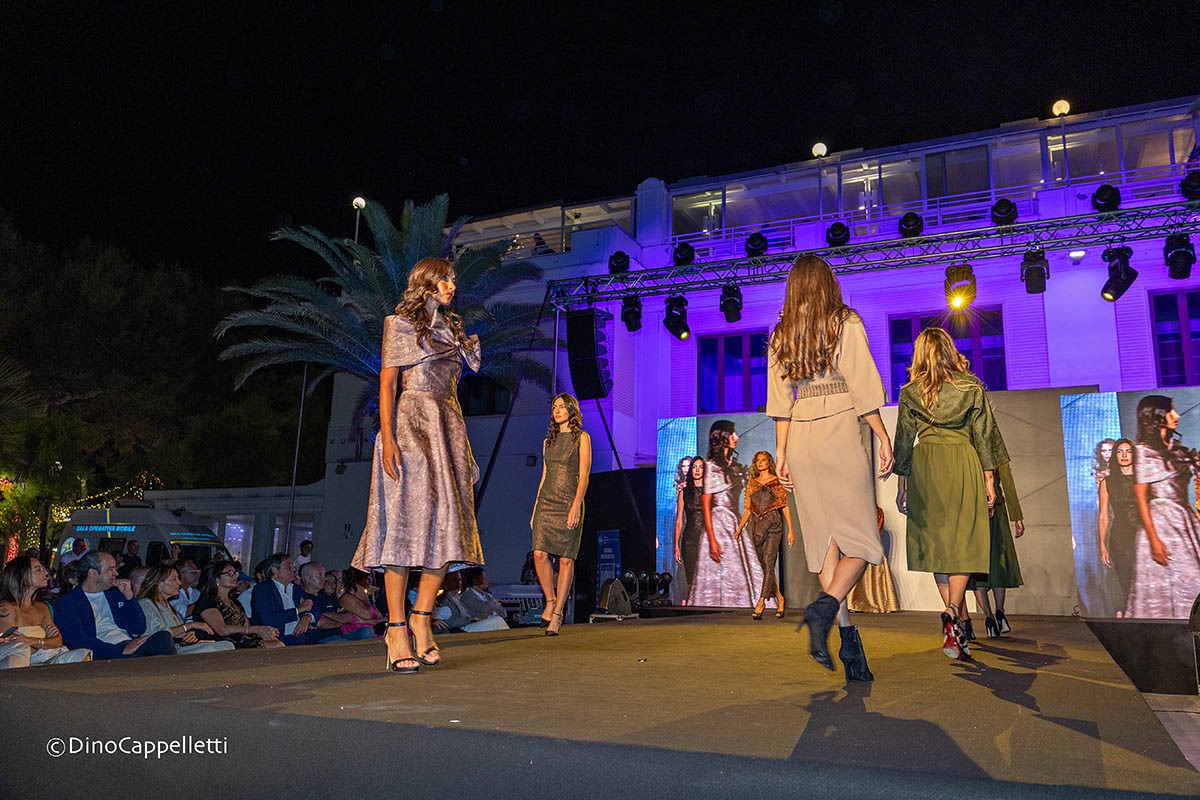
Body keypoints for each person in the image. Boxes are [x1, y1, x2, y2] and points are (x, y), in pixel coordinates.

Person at [351, 256, 483, 673]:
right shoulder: (399, 324)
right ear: (426, 283)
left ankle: (421, 617)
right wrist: (388, 438)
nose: (451, 286)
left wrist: (465, 451)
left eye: (453, 280)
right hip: (411, 424)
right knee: (403, 528)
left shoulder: (453, 330)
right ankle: (395, 629)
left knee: (448, 528)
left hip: (449, 428)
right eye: (444, 279)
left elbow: (454, 394)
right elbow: (388, 383)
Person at [768, 255, 893, 681]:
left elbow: (780, 402)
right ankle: (823, 610)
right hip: (838, 427)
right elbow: (863, 385)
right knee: (863, 539)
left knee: (825, 543)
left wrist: (782, 453)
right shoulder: (845, 321)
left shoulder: (781, 333)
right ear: (827, 283)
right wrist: (882, 435)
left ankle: (847, 639)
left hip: (800, 436)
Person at [894, 327, 1008, 661]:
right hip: (962, 462)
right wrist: (989, 481)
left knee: (938, 546)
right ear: (949, 350)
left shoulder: (910, 392)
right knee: (964, 544)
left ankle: (953, 620)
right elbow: (985, 437)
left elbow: (904, 440)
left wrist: (902, 485)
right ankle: (953, 611)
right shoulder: (970, 387)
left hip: (926, 467)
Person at [1126, 395, 1200, 618]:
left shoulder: (1177, 450)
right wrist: (1154, 540)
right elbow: (1141, 498)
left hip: (1184, 521)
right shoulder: (1143, 452)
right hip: (1160, 524)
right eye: (1171, 411)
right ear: (1156, 416)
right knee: (1163, 585)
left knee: (1192, 581)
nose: (1176, 415)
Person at [530, 393, 592, 636]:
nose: (557, 411)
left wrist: (576, 505)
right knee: (539, 553)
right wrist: (535, 508)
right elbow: (544, 475)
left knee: (566, 559)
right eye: (554, 407)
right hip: (547, 501)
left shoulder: (582, 438)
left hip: (569, 501)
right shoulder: (548, 441)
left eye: (562, 407)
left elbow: (584, 476)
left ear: (571, 411)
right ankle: (550, 600)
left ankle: (557, 614)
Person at [688, 421, 762, 607]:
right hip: (718, 524)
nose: (736, 437)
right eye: (732, 434)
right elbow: (706, 506)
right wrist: (712, 540)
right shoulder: (710, 467)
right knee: (718, 571)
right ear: (722, 438)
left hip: (733, 522)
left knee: (740, 569)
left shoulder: (734, 467)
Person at [55, 551, 177, 660]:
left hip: (128, 644)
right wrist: (120, 650)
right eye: (111, 569)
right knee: (160, 647)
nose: (116, 573)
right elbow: (78, 641)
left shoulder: (114, 596)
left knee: (163, 637)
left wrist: (129, 597)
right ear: (93, 573)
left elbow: (138, 628)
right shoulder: (68, 602)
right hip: (105, 653)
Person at [0, 556, 92, 668]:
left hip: (44, 657)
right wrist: (45, 642)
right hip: (18, 661)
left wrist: (33, 641)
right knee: (20, 647)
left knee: (81, 655)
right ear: (21, 575)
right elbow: (11, 646)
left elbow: (58, 641)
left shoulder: (42, 608)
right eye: (38, 570)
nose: (46, 573)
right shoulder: (7, 609)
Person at [733, 451, 794, 619]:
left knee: (768, 561)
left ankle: (761, 601)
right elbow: (748, 508)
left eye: (763, 460)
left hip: (774, 525)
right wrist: (739, 528)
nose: (760, 463)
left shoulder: (776, 482)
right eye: (758, 460)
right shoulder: (753, 482)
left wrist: (791, 530)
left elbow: (784, 506)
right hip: (757, 527)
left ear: (769, 462)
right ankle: (780, 598)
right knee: (766, 566)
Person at [970, 459, 1026, 637]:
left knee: (977, 567)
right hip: (997, 509)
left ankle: (989, 618)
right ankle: (1000, 613)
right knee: (998, 563)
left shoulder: (966, 451)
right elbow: (1008, 483)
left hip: (972, 511)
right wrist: (1017, 518)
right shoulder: (995, 453)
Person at [136, 565, 234, 655]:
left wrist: (189, 636)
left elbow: (178, 632)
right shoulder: (146, 604)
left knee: (227, 644)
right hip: (166, 651)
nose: (179, 583)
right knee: (223, 647)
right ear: (159, 584)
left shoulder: (168, 607)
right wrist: (190, 625)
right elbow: (158, 634)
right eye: (174, 579)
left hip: (179, 647)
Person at [194, 563, 281, 649]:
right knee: (274, 646)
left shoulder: (234, 602)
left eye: (235, 573)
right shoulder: (208, 601)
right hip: (221, 645)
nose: (236, 576)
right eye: (230, 573)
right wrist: (256, 629)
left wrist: (266, 631)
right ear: (216, 579)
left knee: (276, 642)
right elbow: (221, 630)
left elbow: (246, 626)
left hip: (241, 641)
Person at [1099, 438, 1138, 610]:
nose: (1124, 455)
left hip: (1143, 537)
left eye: (1128, 451)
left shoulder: (1144, 480)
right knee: (1127, 584)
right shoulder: (1107, 482)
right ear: (1115, 455)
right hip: (1120, 538)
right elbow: (1103, 516)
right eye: (1120, 452)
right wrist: (1102, 545)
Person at [251, 553, 317, 645]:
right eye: (289, 567)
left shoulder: (296, 588)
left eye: (294, 567)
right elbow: (267, 619)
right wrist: (298, 610)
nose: (294, 570)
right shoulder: (263, 589)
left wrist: (307, 617)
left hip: (301, 638)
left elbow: (315, 608)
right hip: (277, 639)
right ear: (275, 570)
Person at [846, 508, 901, 614]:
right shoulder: (856, 534)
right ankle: (857, 602)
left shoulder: (884, 534)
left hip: (876, 563)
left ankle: (879, 603)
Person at [673, 456, 707, 602]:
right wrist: (676, 545)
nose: (697, 470)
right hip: (690, 540)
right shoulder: (684, 492)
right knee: (691, 578)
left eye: (700, 467)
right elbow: (679, 520)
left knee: (706, 578)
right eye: (694, 467)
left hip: (707, 540)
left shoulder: (710, 492)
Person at [337, 567, 384, 638]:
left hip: (372, 629)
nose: (370, 581)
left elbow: (380, 617)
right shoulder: (346, 598)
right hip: (356, 631)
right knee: (369, 632)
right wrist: (369, 621)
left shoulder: (367, 597)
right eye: (367, 578)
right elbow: (367, 615)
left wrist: (365, 621)